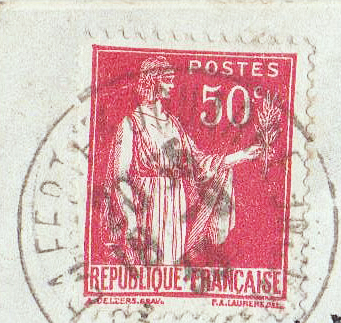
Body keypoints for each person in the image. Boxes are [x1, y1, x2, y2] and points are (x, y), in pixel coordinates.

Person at [104, 56, 264, 267]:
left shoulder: (174, 124)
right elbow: (120, 177)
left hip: (175, 205)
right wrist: (131, 222)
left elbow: (198, 163)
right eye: (167, 80)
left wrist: (241, 155)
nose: (172, 85)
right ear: (153, 81)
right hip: (147, 206)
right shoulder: (131, 123)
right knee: (149, 269)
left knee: (171, 268)